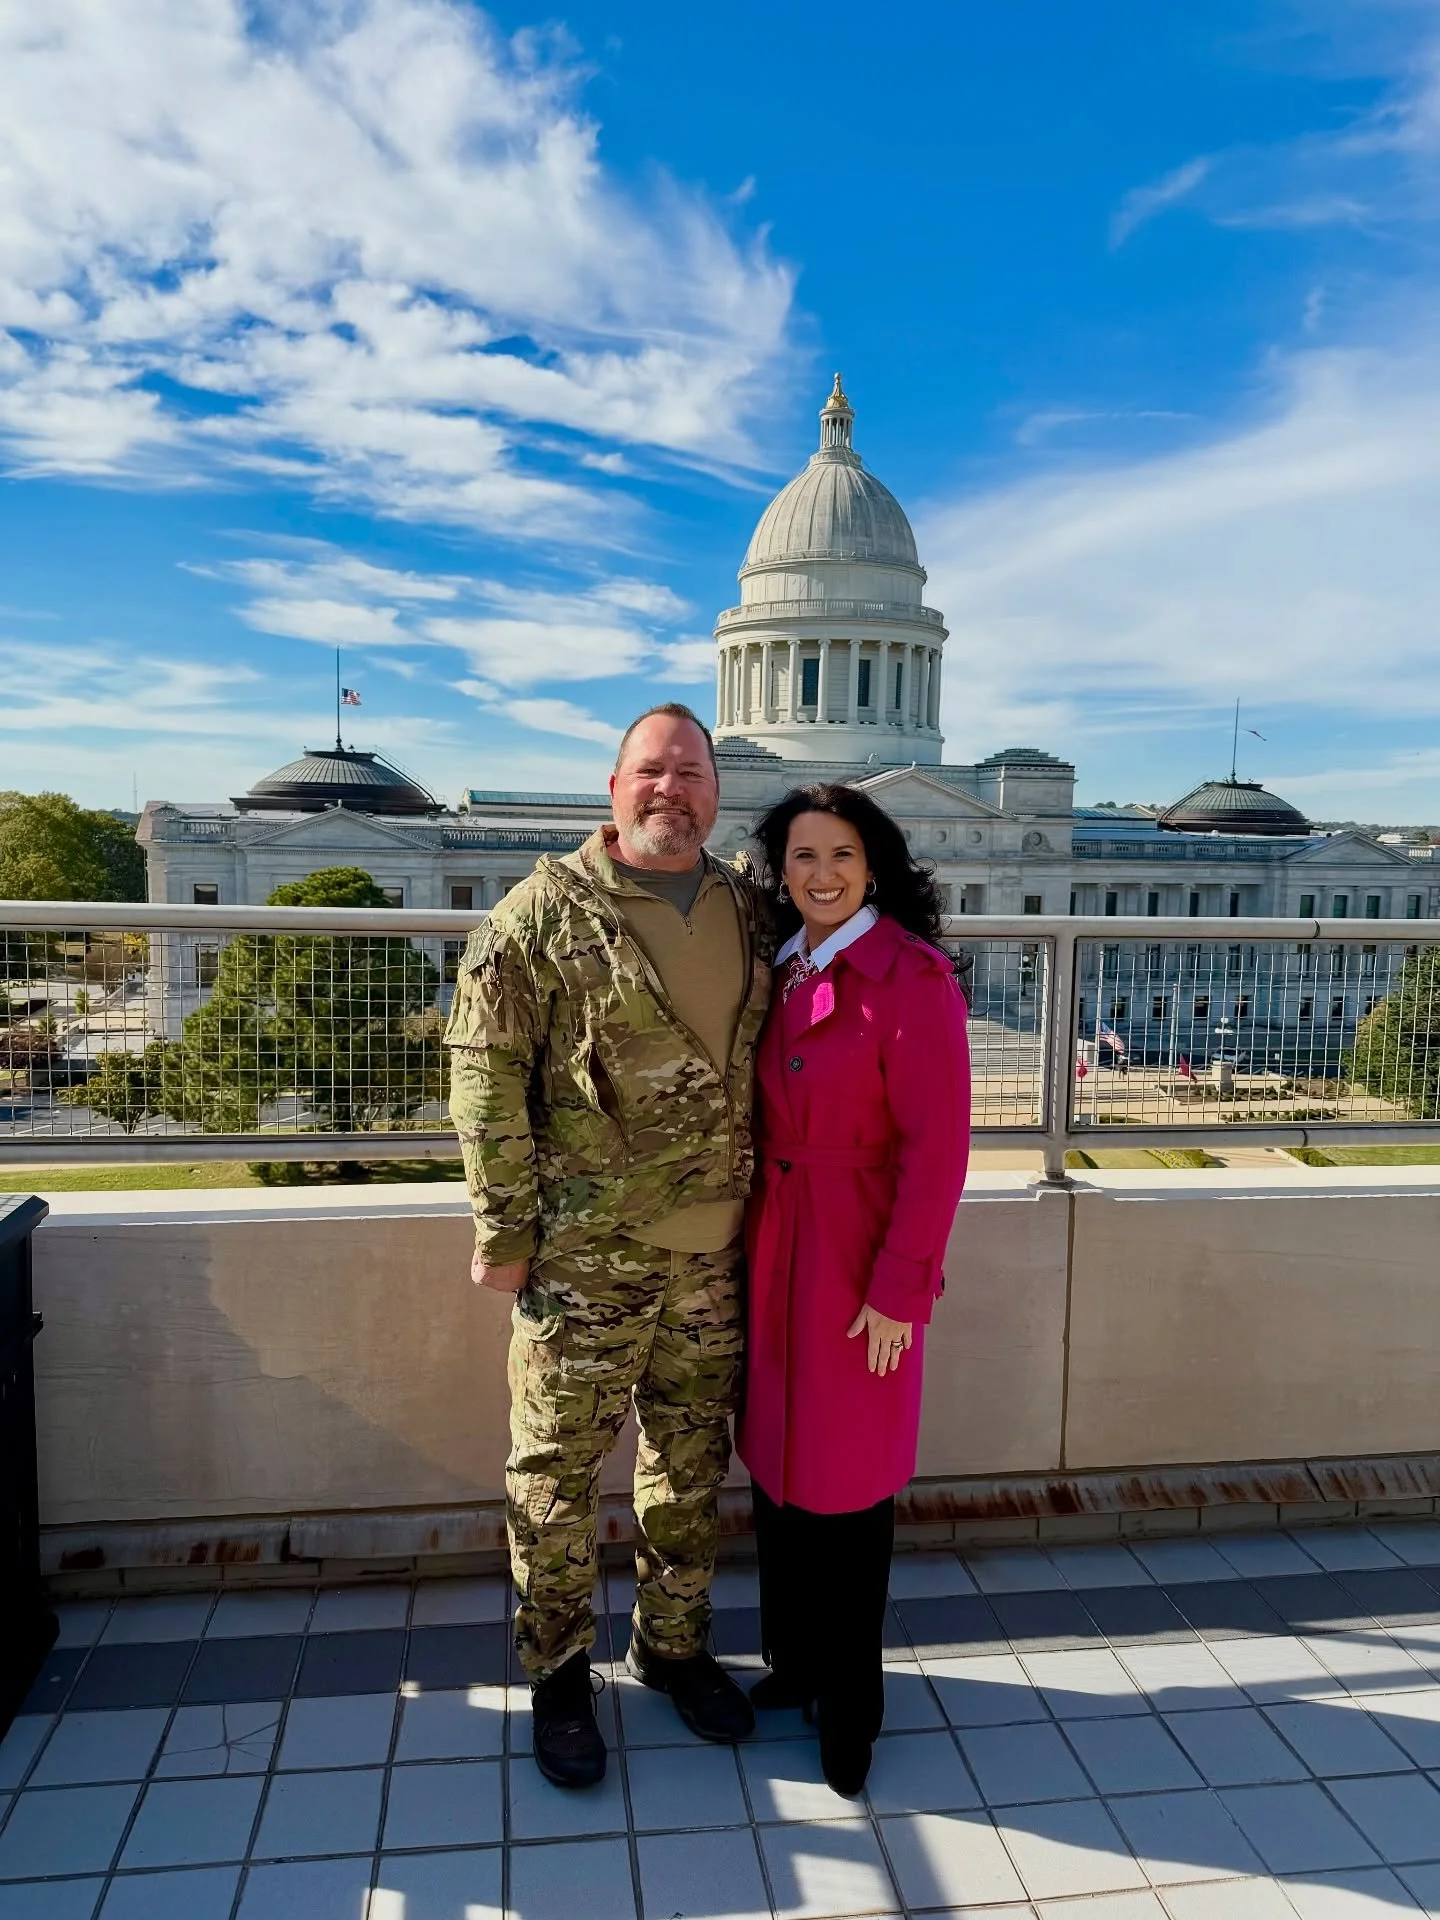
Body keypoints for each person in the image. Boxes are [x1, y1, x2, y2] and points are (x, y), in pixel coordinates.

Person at [444, 703, 773, 1789]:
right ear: (614, 786)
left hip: (715, 1257)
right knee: (555, 1474)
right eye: (650, 771)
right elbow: (483, 1077)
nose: (669, 790)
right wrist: (504, 1232)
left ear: (715, 792)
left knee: (688, 1466)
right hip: (584, 1258)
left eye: (690, 772)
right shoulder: (540, 915)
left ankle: (674, 1650)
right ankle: (558, 1676)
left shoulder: (753, 914)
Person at [737, 782, 971, 1796]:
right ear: (779, 871)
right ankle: (794, 1664)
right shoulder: (780, 968)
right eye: (801, 858)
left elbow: (938, 1153)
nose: (820, 875)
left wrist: (899, 1290)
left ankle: (854, 1704)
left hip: (856, 1250)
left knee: (850, 1489)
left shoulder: (911, 978)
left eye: (838, 855)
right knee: (781, 1473)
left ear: (873, 862)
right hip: (773, 1242)